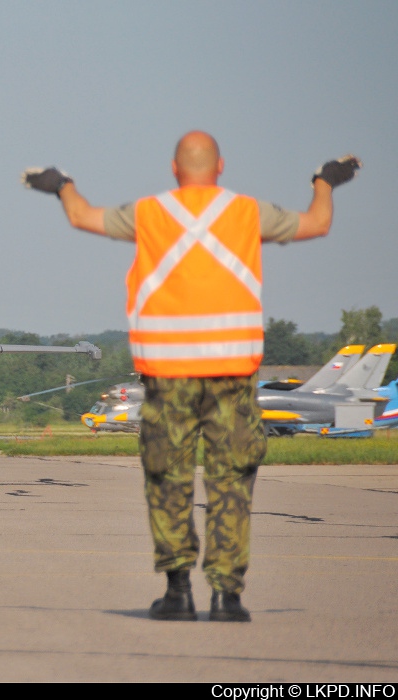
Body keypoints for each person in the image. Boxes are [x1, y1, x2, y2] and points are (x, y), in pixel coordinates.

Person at [22, 132, 360, 622]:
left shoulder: (150, 213)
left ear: (174, 169)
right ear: (220, 166)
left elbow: (81, 215)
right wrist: (325, 180)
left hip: (170, 378)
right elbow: (318, 223)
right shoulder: (248, 213)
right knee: (231, 481)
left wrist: (61, 185)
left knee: (167, 478)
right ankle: (228, 596)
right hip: (231, 378)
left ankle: (177, 590)